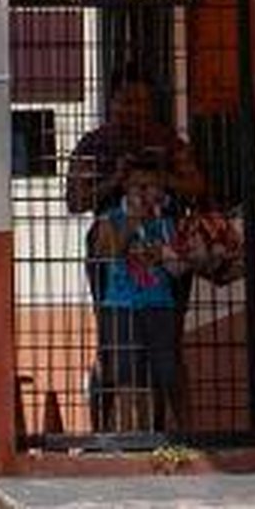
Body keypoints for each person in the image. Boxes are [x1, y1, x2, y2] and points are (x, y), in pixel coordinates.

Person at [85, 151, 189, 435]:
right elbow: (108, 253)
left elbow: (179, 268)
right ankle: (128, 432)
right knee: (125, 369)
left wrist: (165, 253)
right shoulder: (110, 219)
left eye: (151, 186)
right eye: (137, 186)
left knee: (167, 369)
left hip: (160, 303)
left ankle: (178, 432)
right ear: (125, 188)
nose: (144, 193)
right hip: (121, 305)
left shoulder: (165, 222)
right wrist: (133, 222)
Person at [64, 65, 206, 216]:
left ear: (151, 106)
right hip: (111, 227)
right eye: (127, 102)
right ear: (111, 103)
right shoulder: (92, 144)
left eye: (141, 102)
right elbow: (75, 203)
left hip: (165, 225)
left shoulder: (167, 141)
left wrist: (161, 177)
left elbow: (198, 189)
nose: (134, 110)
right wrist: (115, 180)